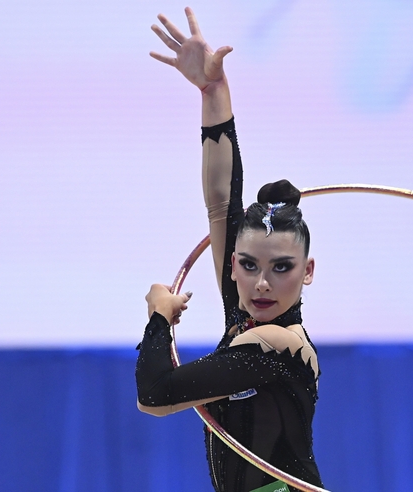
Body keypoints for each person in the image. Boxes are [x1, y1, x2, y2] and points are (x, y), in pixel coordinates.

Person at [134, 7, 324, 492]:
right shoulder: (246, 310)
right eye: (248, 265)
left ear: (308, 272)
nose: (261, 282)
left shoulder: (276, 344)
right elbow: (221, 201)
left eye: (282, 268)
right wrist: (212, 91)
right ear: (235, 267)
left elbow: (155, 395)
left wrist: (159, 318)